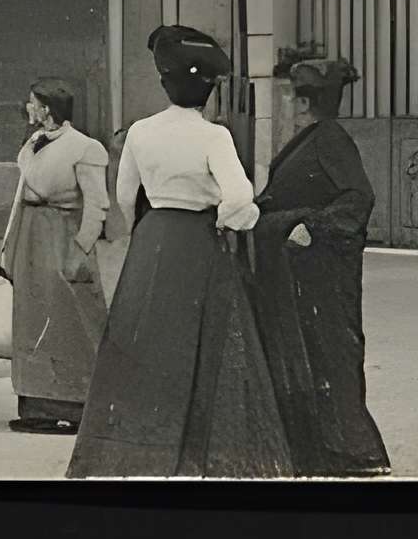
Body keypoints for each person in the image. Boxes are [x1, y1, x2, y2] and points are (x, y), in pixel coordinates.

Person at [66, 26, 295, 478]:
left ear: (165, 84)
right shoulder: (215, 137)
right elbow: (238, 199)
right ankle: (200, 453)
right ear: (208, 90)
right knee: (206, 341)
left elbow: (125, 197)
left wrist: (145, 236)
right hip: (197, 240)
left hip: (153, 242)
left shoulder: (139, 133)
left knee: (143, 343)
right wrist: (228, 221)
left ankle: (136, 451)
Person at [251, 53, 392, 477]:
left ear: (303, 103)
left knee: (330, 357)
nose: (286, 106)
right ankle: (321, 452)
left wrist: (307, 225)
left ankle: (353, 453)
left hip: (322, 278)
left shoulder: (329, 139)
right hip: (302, 274)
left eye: (290, 98)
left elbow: (357, 200)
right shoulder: (314, 138)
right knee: (309, 358)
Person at [1, 77, 114, 435]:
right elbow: (22, 193)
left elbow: (97, 205)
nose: (28, 108)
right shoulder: (35, 142)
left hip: (63, 236)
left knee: (71, 322)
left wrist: (81, 248)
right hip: (31, 234)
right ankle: (36, 404)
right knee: (33, 320)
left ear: (48, 108)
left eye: (33, 102)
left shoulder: (85, 148)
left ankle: (77, 405)